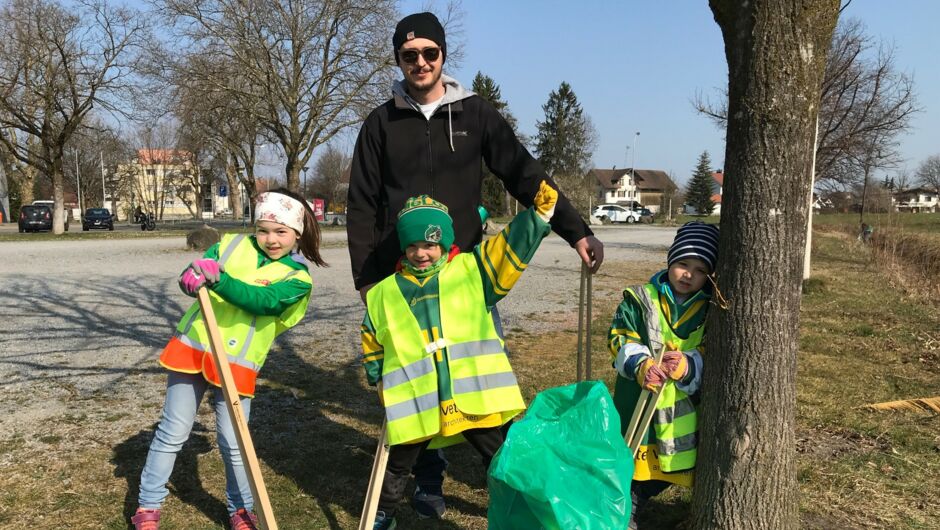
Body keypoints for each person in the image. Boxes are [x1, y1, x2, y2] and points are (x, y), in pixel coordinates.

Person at [346, 11, 604, 516]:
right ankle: (426, 482)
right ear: (398, 59)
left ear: (443, 55)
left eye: (429, 53)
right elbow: (361, 203)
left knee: (477, 384)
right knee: (416, 384)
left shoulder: (474, 114)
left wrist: (577, 230)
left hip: (466, 278)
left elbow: (524, 173)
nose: (420, 62)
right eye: (409, 55)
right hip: (402, 277)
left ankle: (512, 487)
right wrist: (368, 282)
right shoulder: (381, 122)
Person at [360, 182, 559, 529]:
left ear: (445, 242)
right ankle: (382, 513)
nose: (422, 253)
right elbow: (372, 339)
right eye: (413, 245)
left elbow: (506, 249)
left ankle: (519, 507)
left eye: (430, 244)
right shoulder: (383, 293)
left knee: (500, 453)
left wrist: (537, 216)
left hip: (474, 394)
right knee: (398, 463)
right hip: (416, 400)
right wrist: (377, 378)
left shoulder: (472, 271)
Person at [130, 189, 327, 530]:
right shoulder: (231, 245)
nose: (270, 239)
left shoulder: (297, 278)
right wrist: (191, 279)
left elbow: (261, 301)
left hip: (237, 365)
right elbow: (192, 277)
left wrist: (219, 280)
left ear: (298, 233)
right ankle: (148, 506)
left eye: (280, 232)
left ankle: (240, 509)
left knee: (235, 444)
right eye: (263, 230)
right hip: (193, 350)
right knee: (172, 432)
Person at [606, 221, 719, 530]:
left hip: (680, 411)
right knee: (633, 462)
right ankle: (624, 508)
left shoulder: (711, 310)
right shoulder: (641, 299)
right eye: (683, 264)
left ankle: (639, 498)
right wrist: (640, 364)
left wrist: (688, 366)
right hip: (639, 405)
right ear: (671, 261)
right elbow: (619, 336)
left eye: (699, 269)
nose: (688, 274)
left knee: (671, 466)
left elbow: (715, 352)